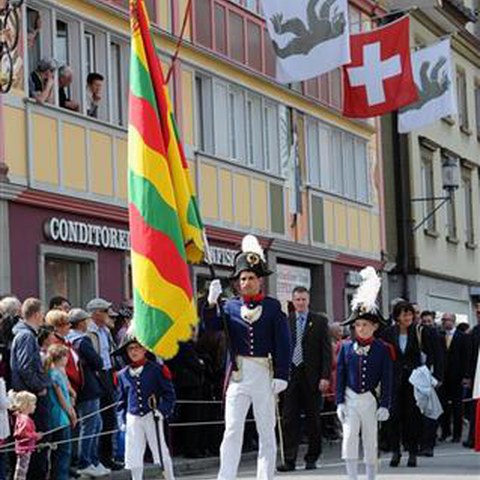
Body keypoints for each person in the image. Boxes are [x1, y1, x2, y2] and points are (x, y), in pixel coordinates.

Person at [204, 234, 291, 480]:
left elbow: (283, 344)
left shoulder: (274, 307)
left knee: (266, 430)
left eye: (252, 277)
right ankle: (226, 476)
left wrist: (283, 375)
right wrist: (211, 304)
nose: (247, 282)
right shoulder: (229, 306)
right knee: (232, 430)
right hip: (238, 375)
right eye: (243, 278)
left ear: (260, 281)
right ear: (237, 282)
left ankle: (265, 476)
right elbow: (211, 328)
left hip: (264, 373)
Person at [336, 267, 393, 480]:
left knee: (370, 439)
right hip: (350, 398)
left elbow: (387, 379)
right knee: (349, 438)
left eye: (366, 325)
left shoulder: (383, 349)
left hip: (369, 399)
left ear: (375, 326)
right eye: (358, 325)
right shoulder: (345, 347)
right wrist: (339, 401)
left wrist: (385, 404)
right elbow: (340, 375)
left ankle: (371, 476)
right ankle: (351, 477)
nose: (361, 329)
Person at [278, 286, 331, 472]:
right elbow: (281, 348)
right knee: (289, 418)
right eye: (297, 300)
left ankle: (312, 457)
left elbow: (326, 351)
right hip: (292, 375)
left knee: (313, 419)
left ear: (308, 301)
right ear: (292, 301)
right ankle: (289, 459)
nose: (300, 303)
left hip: (312, 377)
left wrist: (325, 376)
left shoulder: (319, 321)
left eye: (303, 299)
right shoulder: (286, 321)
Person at [115, 334, 176, 480]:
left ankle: (169, 478)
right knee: (134, 455)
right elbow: (120, 402)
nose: (134, 352)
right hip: (133, 417)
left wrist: (161, 411)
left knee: (161, 451)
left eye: (137, 348)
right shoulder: (122, 375)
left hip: (152, 416)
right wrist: (121, 421)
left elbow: (169, 395)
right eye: (130, 349)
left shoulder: (156, 370)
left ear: (144, 350)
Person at [10, 298, 51, 480]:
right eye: (42, 313)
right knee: (35, 445)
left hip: (28, 396)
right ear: (35, 314)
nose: (43, 317)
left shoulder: (23, 334)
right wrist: (39, 387)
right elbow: (25, 367)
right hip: (30, 399)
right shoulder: (26, 336)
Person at [67, 308, 110, 478]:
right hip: (88, 387)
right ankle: (86, 461)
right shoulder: (82, 341)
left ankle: (93, 459)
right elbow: (98, 362)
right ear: (81, 323)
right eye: (86, 320)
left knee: (95, 424)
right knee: (90, 425)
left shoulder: (69, 340)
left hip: (80, 386)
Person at [380, 301, 423, 467]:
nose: (408, 317)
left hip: (413, 380)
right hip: (393, 380)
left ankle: (412, 452)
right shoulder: (388, 333)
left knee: (411, 417)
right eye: (404, 314)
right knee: (394, 417)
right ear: (397, 316)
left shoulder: (418, 332)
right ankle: (395, 451)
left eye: (410, 314)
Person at [86, 297, 122, 471]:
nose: (109, 315)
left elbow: (111, 352)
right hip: (96, 375)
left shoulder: (105, 331)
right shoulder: (88, 331)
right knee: (97, 419)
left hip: (108, 373)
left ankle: (107, 456)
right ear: (96, 313)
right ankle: (96, 457)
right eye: (106, 311)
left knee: (110, 418)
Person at [45, 344, 77, 480]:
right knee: (64, 452)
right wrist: (72, 414)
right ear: (62, 357)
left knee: (57, 452)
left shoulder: (55, 372)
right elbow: (62, 398)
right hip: (61, 417)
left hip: (55, 416)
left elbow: (69, 391)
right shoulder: (55, 375)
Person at [438, 312, 470, 442]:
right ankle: (445, 432)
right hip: (443, 376)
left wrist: (466, 375)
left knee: (457, 407)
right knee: (443, 406)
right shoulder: (439, 336)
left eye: (449, 320)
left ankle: (457, 434)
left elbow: (466, 357)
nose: (446, 322)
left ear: (454, 321)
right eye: (444, 320)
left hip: (457, 376)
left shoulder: (462, 337)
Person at [46, 309, 82, 397]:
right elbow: (60, 369)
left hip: (75, 387)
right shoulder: (55, 344)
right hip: (66, 389)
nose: (70, 325)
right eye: (66, 324)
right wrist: (70, 390)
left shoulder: (66, 341)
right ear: (57, 327)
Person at [9, 391, 42, 480]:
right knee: (22, 469)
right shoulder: (25, 419)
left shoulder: (20, 416)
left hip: (23, 448)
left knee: (21, 468)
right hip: (24, 449)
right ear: (27, 405)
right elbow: (22, 433)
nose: (35, 406)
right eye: (33, 404)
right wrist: (35, 435)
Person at [465, 302, 480, 449]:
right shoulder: (475, 332)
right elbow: (470, 356)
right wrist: (468, 376)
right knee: (475, 408)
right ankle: (473, 438)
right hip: (477, 375)